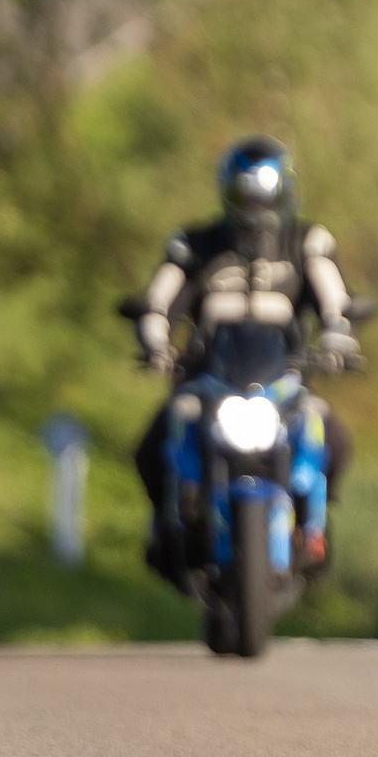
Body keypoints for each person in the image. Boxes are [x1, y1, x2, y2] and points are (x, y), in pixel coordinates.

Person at [130, 137, 362, 580]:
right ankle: (167, 526)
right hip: (206, 384)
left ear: (284, 192)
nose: (254, 210)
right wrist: (154, 342)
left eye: (264, 196)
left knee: (336, 441)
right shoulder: (194, 245)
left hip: (285, 384)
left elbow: (338, 303)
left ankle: (312, 527)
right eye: (244, 197)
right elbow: (158, 304)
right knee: (150, 449)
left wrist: (339, 341)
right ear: (227, 193)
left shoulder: (307, 242)